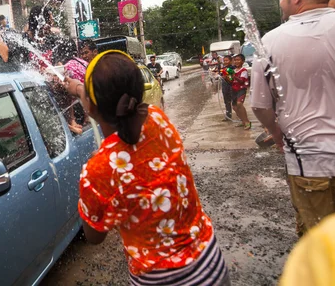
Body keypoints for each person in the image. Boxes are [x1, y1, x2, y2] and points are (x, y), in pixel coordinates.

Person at [64, 50, 229, 285]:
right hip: (210, 263)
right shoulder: (157, 118)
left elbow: (94, 236)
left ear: (89, 107)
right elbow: (130, 148)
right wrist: (81, 89)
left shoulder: (98, 171)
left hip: (160, 280)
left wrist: (94, 177)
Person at [250, 0, 335, 235]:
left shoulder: (271, 42)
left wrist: (276, 133)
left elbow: (260, 105)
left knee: (320, 247)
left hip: (309, 165)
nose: (281, 2)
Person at [231, 54, 251, 129]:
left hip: (241, 89)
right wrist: (226, 76)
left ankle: (247, 122)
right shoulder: (233, 70)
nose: (236, 61)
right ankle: (243, 121)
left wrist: (234, 76)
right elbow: (231, 81)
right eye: (235, 60)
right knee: (235, 107)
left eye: (238, 60)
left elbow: (241, 81)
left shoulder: (244, 71)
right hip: (234, 90)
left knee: (239, 104)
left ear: (242, 61)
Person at [219, 55, 235, 121]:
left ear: (231, 61)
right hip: (225, 87)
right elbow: (220, 75)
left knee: (234, 103)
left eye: (227, 60)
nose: (225, 62)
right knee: (226, 102)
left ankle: (240, 116)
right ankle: (228, 116)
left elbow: (232, 79)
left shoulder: (232, 68)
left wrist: (227, 77)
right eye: (224, 60)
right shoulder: (223, 68)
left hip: (231, 87)